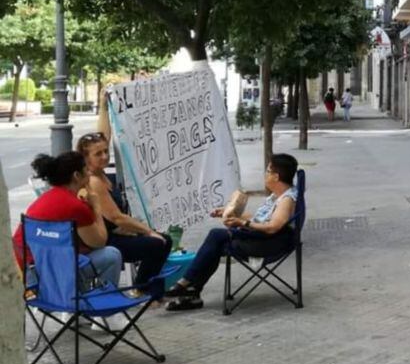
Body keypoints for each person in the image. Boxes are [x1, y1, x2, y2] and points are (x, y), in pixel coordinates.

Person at [163, 154, 300, 311]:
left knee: (216, 235)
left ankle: (186, 283)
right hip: (262, 238)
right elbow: (258, 219)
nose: (265, 175)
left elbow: (273, 226)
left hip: (269, 243)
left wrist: (242, 223)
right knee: (215, 247)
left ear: (276, 176)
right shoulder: (277, 196)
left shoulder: (286, 200)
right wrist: (231, 213)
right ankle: (192, 293)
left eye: (268, 171)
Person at [12, 152, 123, 291]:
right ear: (77, 175)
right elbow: (99, 241)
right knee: (111, 254)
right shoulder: (75, 206)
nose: (89, 173)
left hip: (28, 275)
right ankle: (105, 300)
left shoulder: (44, 198)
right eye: (86, 170)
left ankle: (83, 300)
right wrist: (96, 207)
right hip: (53, 279)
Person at [78, 132, 171, 294]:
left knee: (164, 239)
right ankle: (143, 290)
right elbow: (116, 217)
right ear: (86, 158)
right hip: (105, 241)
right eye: (98, 154)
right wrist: (147, 231)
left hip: (116, 233)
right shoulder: (93, 181)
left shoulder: (102, 175)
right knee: (159, 242)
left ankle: (147, 290)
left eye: (106, 151)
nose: (105, 156)